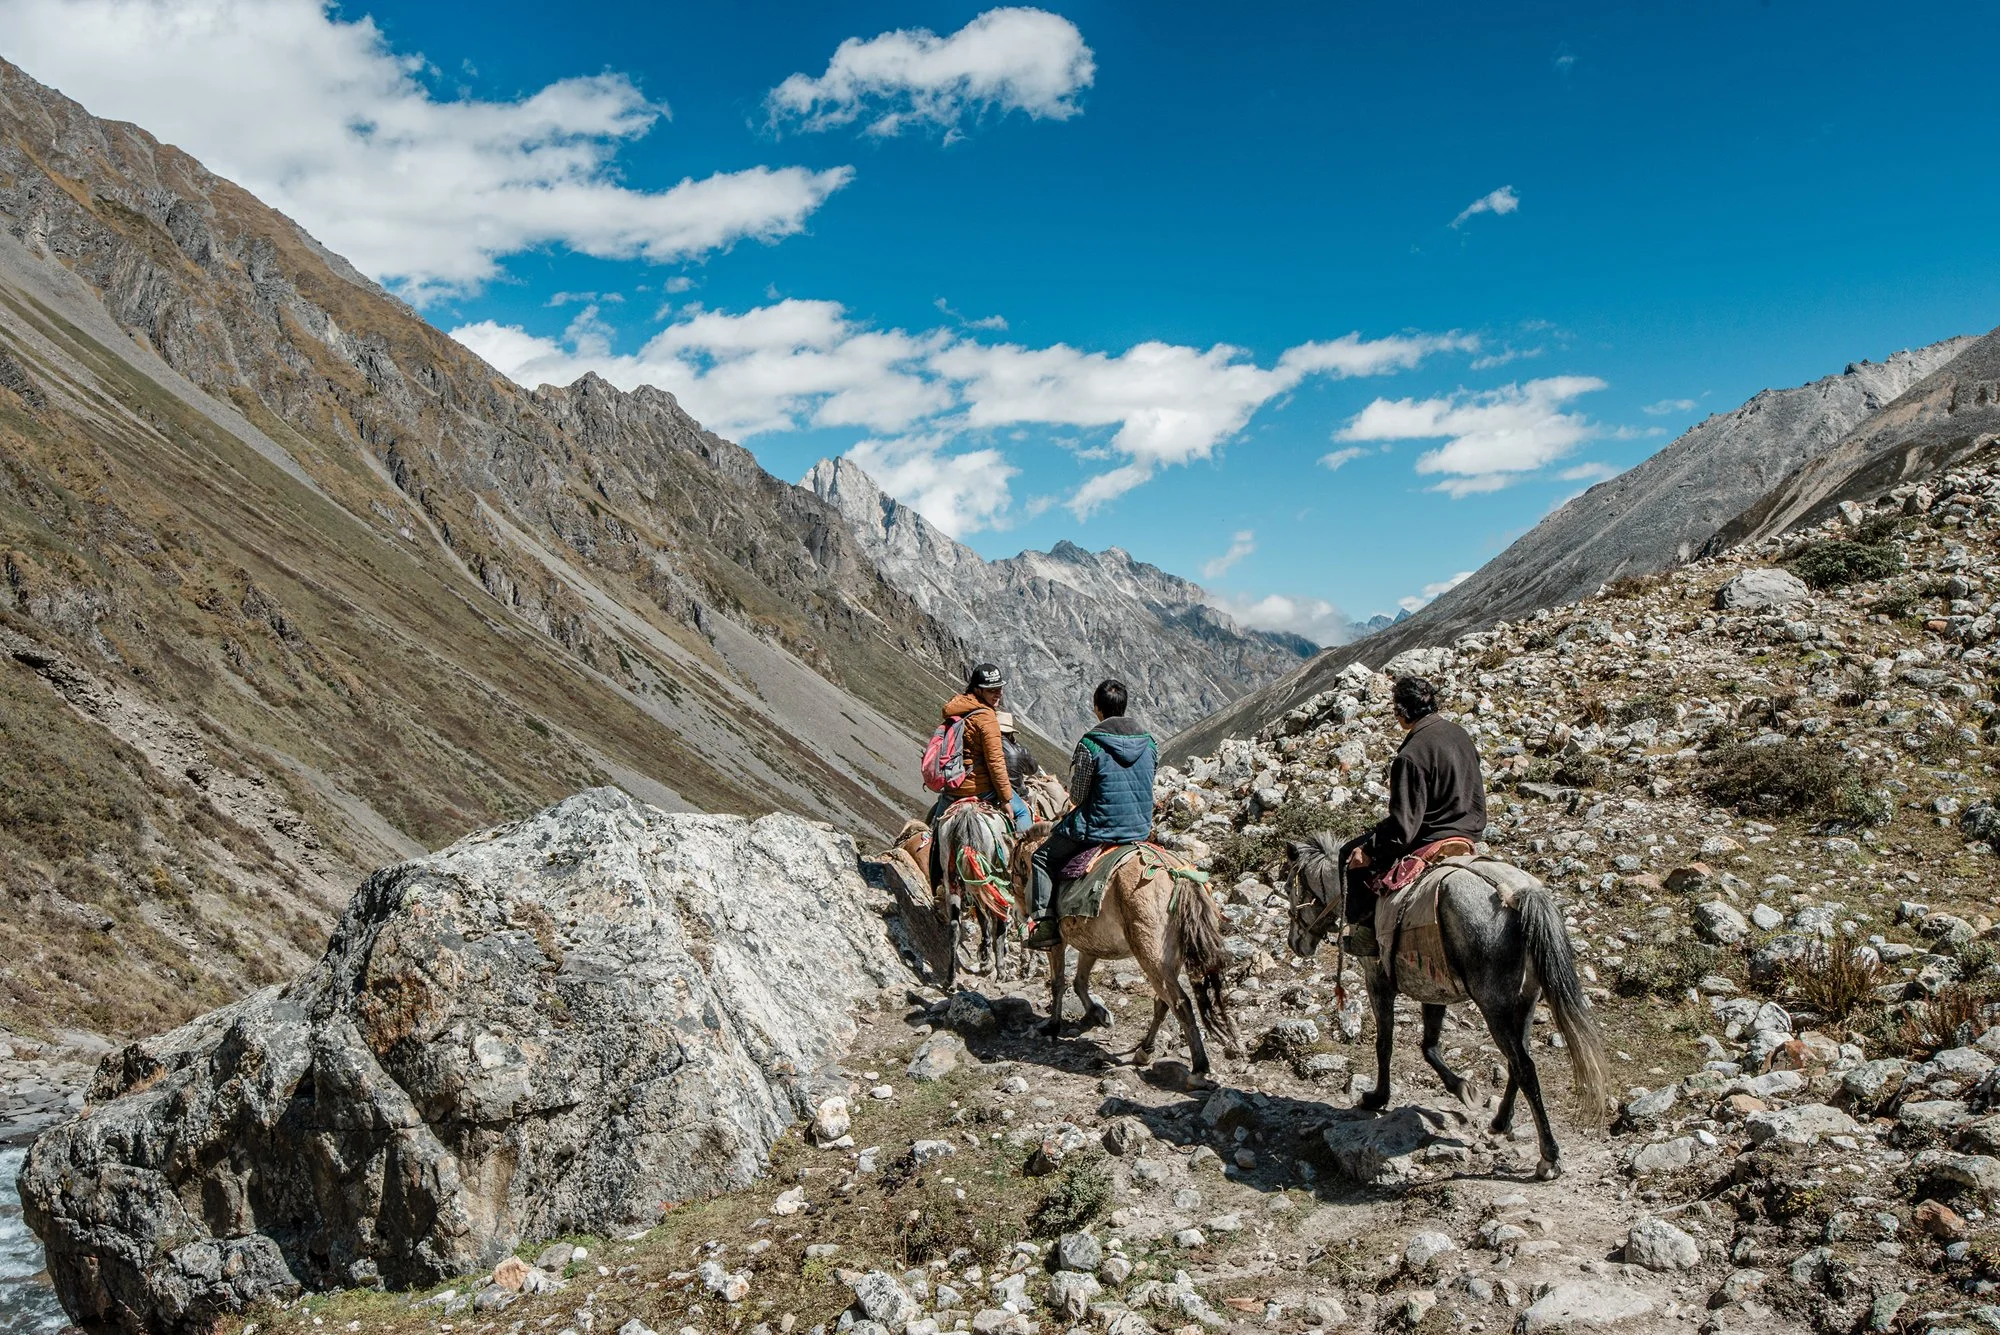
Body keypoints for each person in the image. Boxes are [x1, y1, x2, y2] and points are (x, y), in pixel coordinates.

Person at [1340, 674, 1487, 956]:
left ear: (1403, 711)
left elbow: (1402, 828)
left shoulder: (1410, 754)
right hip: (1468, 831)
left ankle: (1367, 934)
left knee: (1349, 855)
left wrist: (1369, 850)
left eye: (1396, 709)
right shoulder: (1459, 733)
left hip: (1432, 834)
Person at [1024, 679, 1157, 949]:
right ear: (1124, 706)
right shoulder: (1150, 743)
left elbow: (1079, 795)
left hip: (1098, 827)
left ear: (1097, 708)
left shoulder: (1090, 745)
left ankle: (1045, 923)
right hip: (1139, 827)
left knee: (1041, 858)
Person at [933, 663, 1032, 840]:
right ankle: (1021, 862)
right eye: (991, 690)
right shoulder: (986, 718)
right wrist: (1005, 799)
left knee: (932, 832)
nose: (998, 693)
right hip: (980, 788)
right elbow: (996, 763)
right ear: (978, 690)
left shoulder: (958, 707)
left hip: (953, 787)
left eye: (999, 688)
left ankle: (930, 866)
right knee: (1023, 813)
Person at [997, 711, 1042, 790]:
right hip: (1015, 793)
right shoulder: (1021, 751)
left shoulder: (983, 745)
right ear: (1010, 733)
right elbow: (1032, 769)